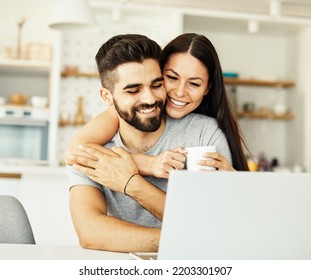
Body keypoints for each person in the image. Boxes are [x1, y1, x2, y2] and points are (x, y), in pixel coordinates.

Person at [67, 34, 232, 252]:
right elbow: (90, 232)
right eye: (133, 90)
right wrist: (183, 240)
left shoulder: (203, 133)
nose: (149, 98)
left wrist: (130, 181)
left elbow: (215, 226)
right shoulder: (93, 151)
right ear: (107, 97)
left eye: (156, 84)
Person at [66, 33, 249, 176]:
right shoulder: (128, 111)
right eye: (171, 77)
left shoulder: (206, 130)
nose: (179, 92)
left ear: (208, 88)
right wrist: (149, 163)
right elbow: (74, 152)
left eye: (194, 84)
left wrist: (232, 180)